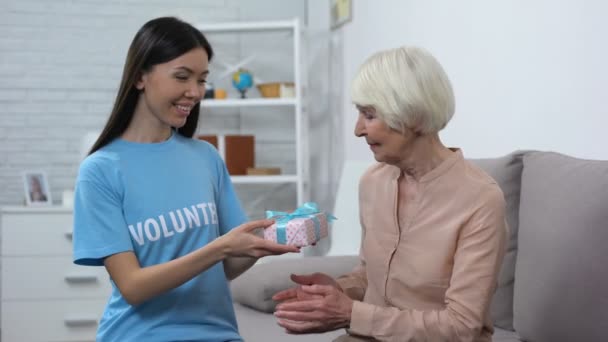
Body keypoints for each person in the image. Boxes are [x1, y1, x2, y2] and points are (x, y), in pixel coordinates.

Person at [72, 17, 300, 342]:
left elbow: (225, 266)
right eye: (182, 77)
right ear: (140, 76)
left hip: (220, 334)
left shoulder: (205, 158)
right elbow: (133, 287)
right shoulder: (101, 170)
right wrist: (220, 248)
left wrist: (263, 244)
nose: (194, 92)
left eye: (202, 79)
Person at [273, 46, 508, 342]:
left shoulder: (480, 200)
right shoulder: (372, 182)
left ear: (413, 114)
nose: (358, 130)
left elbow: (462, 326)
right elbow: (371, 275)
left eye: (369, 115)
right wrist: (337, 291)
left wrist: (350, 314)